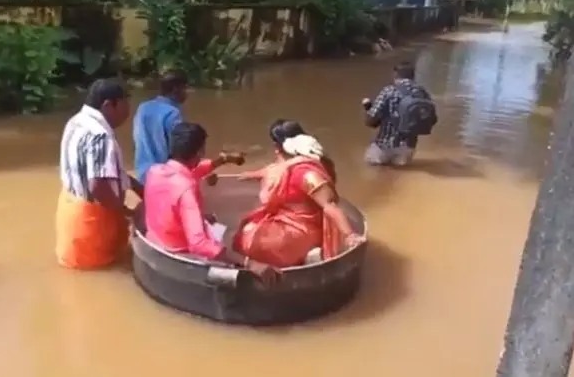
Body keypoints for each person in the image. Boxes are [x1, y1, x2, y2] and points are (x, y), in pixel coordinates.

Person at [144, 122, 280, 285]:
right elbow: (198, 244)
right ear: (200, 151)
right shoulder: (186, 188)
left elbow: (193, 170)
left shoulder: (154, 172)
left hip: (156, 244)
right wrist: (250, 263)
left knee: (213, 223)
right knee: (231, 236)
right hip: (182, 257)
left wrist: (222, 160)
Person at [233, 120, 366, 268]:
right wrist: (251, 175)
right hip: (287, 219)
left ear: (277, 147)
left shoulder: (307, 174)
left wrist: (350, 235)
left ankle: (306, 255)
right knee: (248, 226)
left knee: (251, 238)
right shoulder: (286, 166)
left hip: (305, 228)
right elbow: (270, 171)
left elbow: (329, 206)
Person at [56, 78, 144, 270]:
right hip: (92, 224)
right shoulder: (100, 135)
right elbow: (98, 185)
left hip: (71, 213)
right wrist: (128, 213)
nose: (128, 111)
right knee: (106, 274)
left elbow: (109, 172)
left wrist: (141, 189)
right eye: (125, 104)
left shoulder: (75, 122)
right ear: (108, 105)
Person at [363, 61, 436, 166]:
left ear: (395, 75)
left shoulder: (389, 91)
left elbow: (371, 121)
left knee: (371, 166)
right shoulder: (422, 92)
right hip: (408, 148)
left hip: (384, 146)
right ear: (413, 76)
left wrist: (367, 107)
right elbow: (431, 119)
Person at [133, 69, 188, 184]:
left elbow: (137, 139)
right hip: (164, 176)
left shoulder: (143, 108)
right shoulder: (173, 113)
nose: (186, 93)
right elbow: (179, 149)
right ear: (175, 89)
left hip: (142, 174)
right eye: (185, 88)